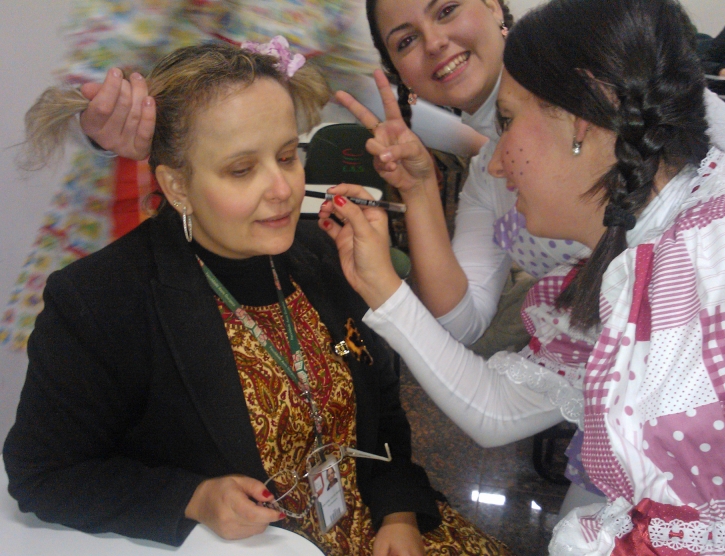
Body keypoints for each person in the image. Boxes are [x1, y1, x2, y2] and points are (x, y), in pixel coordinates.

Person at [321, 0, 725, 553]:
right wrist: (385, 280)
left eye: (506, 123)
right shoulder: (623, 258)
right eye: (405, 40)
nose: (494, 161)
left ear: (582, 115)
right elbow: (496, 403)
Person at [2, 42, 513, 556]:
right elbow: (43, 475)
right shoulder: (102, 301)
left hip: (376, 524)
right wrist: (193, 498)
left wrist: (399, 512)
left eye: (288, 157)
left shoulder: (325, 255)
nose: (283, 189)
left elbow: (381, 407)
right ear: (177, 185)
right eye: (242, 169)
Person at [0, 0, 484, 353]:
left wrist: (482, 145)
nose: (284, 188)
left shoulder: (318, 6)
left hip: (235, 236)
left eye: (290, 155)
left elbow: (360, 89)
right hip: (132, 215)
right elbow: (78, 98)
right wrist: (102, 127)